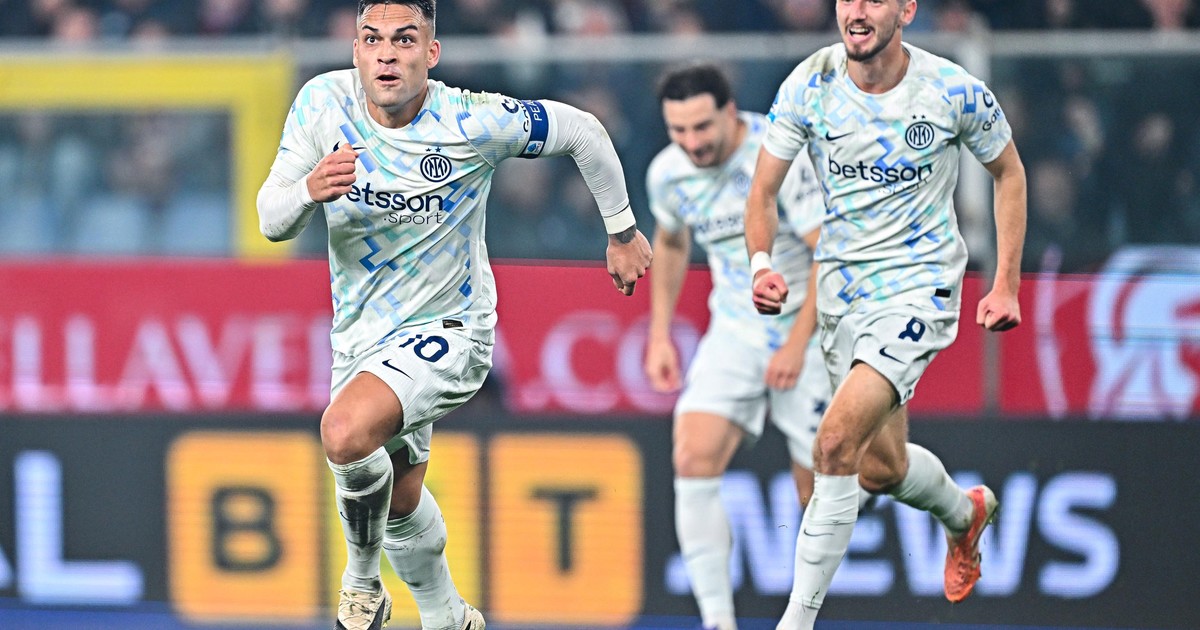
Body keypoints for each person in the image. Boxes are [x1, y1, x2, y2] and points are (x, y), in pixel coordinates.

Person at [256, 2, 653, 629]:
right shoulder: (321, 104)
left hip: (452, 329)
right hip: (360, 335)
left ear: (431, 53)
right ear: (356, 51)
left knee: (344, 433)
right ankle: (448, 617)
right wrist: (309, 190)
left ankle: (362, 585)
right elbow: (270, 219)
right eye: (372, 40)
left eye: (404, 40)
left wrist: (622, 230)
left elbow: (582, 130)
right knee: (398, 498)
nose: (387, 55)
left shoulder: (471, 120)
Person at [743, 1, 1027, 629]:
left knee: (834, 442)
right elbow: (762, 190)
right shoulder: (810, 83)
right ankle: (965, 514)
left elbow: (1008, 172)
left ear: (906, 10)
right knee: (880, 469)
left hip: (919, 290)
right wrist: (762, 264)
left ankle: (795, 621)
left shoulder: (951, 90)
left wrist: (1005, 282)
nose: (857, 11)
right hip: (842, 294)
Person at [643, 63, 830, 630]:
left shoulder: (778, 155)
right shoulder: (668, 173)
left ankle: (953, 506)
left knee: (826, 487)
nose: (692, 143)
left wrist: (796, 344)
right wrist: (659, 334)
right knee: (691, 455)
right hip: (737, 327)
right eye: (679, 130)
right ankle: (718, 623)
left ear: (730, 112)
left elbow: (830, 253)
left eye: (702, 127)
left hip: (815, 327)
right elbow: (671, 242)